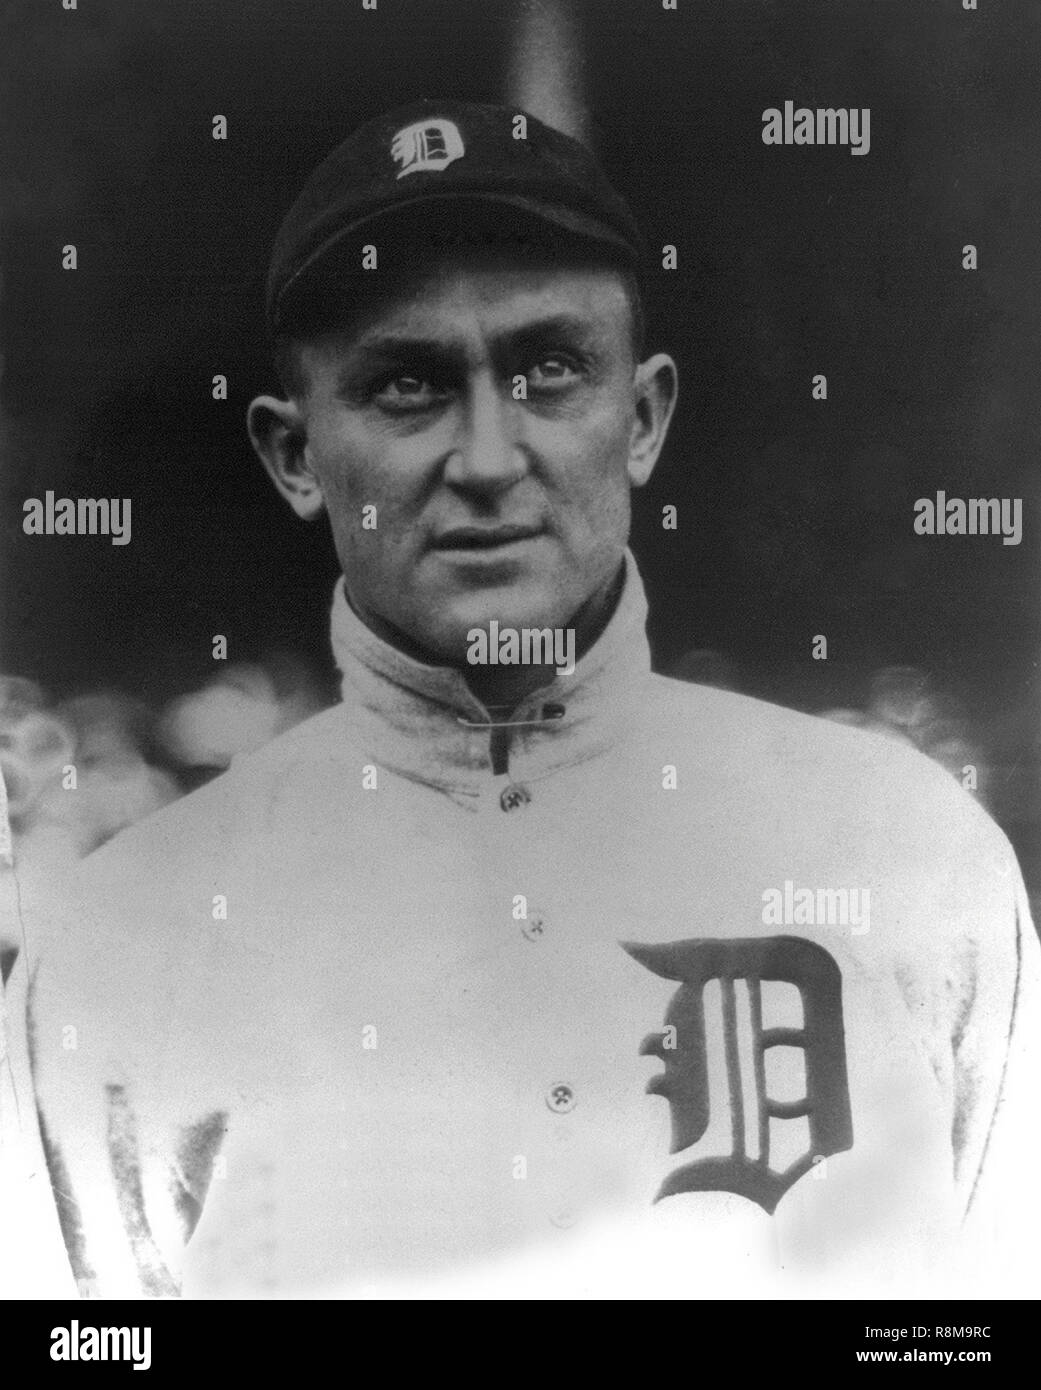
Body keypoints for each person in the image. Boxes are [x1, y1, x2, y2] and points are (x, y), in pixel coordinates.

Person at [28, 99, 1040, 1299]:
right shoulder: (127, 941)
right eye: (408, 384)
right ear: (294, 457)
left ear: (645, 416)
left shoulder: (903, 853)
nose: (491, 458)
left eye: (549, 369)